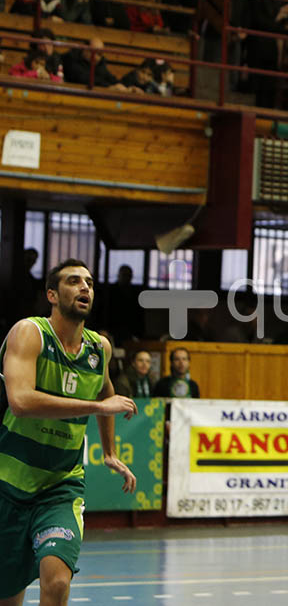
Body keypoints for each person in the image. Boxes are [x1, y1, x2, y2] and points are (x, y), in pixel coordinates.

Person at [0, 258, 137, 605]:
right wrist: (95, 408)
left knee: (57, 580)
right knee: (8, 594)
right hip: (9, 485)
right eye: (74, 281)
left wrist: (109, 452)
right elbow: (20, 401)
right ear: (51, 294)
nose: (85, 288)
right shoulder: (29, 333)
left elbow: (107, 393)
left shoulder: (98, 348)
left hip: (60, 486)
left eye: (89, 283)